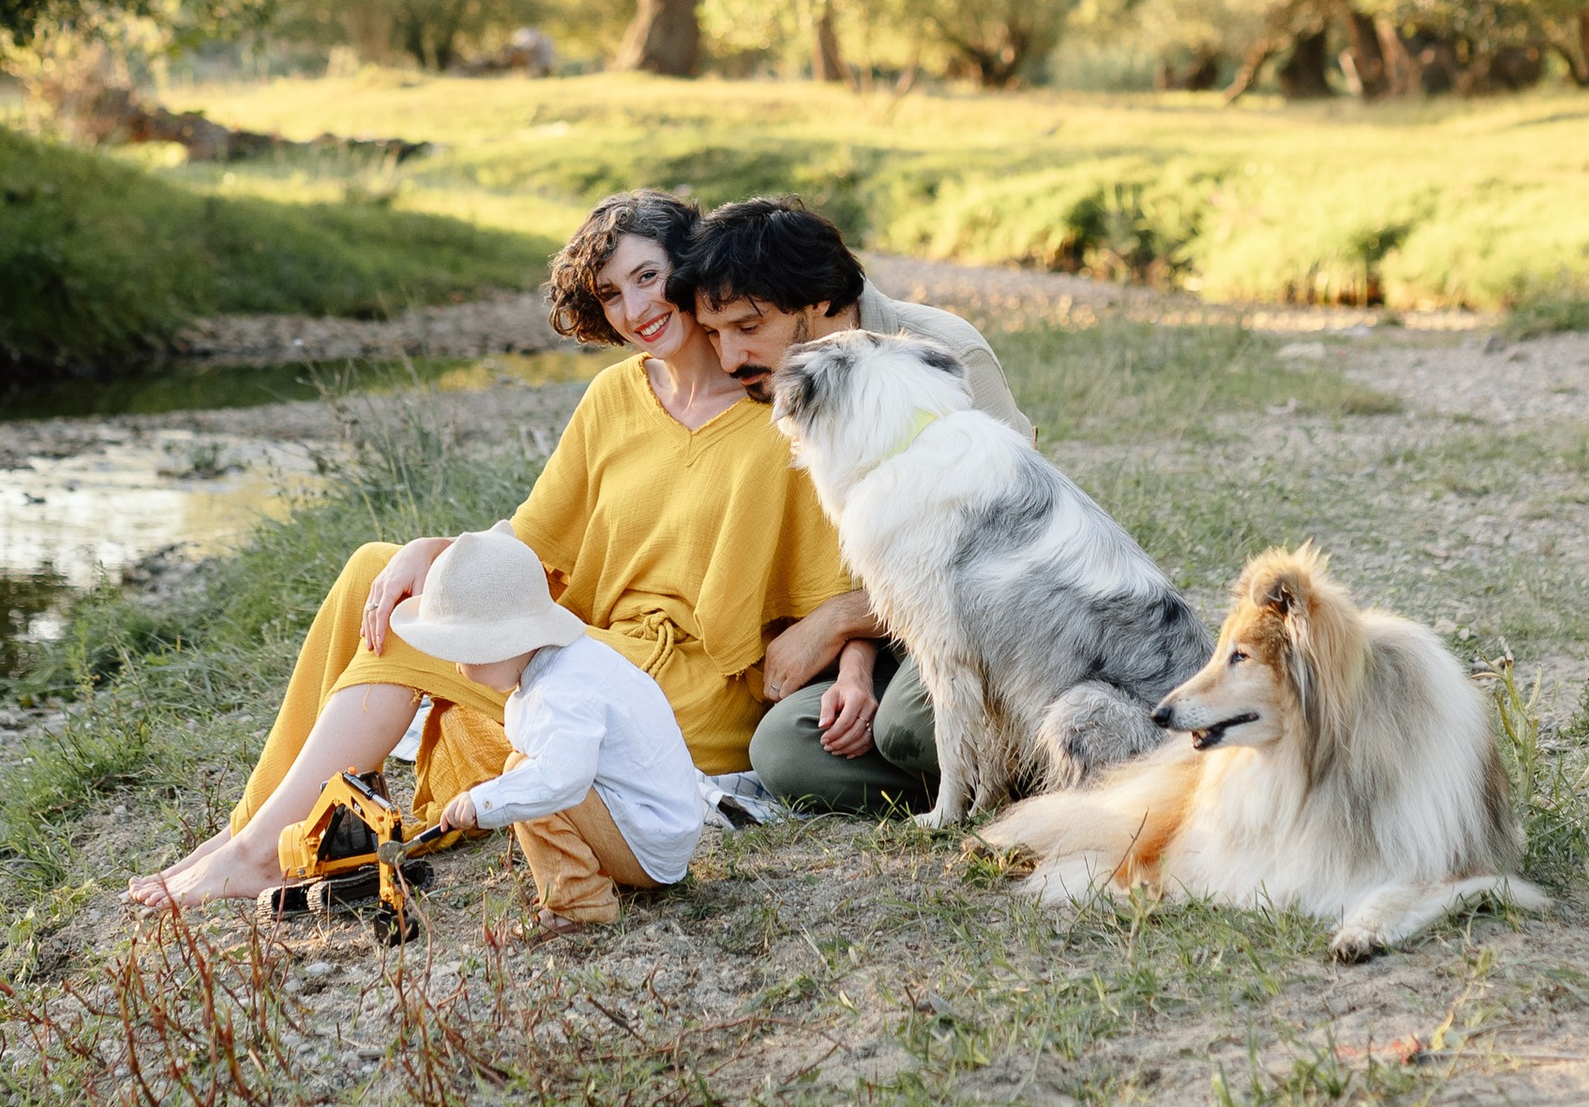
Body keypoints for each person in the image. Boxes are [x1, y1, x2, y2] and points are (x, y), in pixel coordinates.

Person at [127, 188, 857, 906]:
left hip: (678, 696)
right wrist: (429, 549)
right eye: (610, 294)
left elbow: (848, 581)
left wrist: (852, 667)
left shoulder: (779, 418)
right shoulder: (614, 397)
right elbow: (532, 544)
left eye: (647, 277)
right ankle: (247, 835)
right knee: (376, 570)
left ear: (690, 271)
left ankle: (261, 852)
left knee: (407, 639)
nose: (636, 311)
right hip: (590, 649)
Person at [664, 197, 1030, 822]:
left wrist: (839, 622)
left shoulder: (942, 354)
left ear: (824, 303)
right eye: (714, 333)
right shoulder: (766, 383)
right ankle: (986, 770)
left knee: (912, 724)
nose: (729, 359)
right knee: (785, 752)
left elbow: (1006, 550)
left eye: (749, 327)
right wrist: (854, 664)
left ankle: (1012, 754)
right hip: (889, 633)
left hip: (983, 617)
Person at [400, 527, 709, 930]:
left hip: (652, 846)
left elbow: (561, 780)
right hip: (657, 828)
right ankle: (579, 873)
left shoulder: (559, 692)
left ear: (502, 642)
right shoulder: (570, 660)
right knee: (521, 768)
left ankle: (579, 903)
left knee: (524, 778)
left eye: (464, 654)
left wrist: (485, 802)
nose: (459, 670)